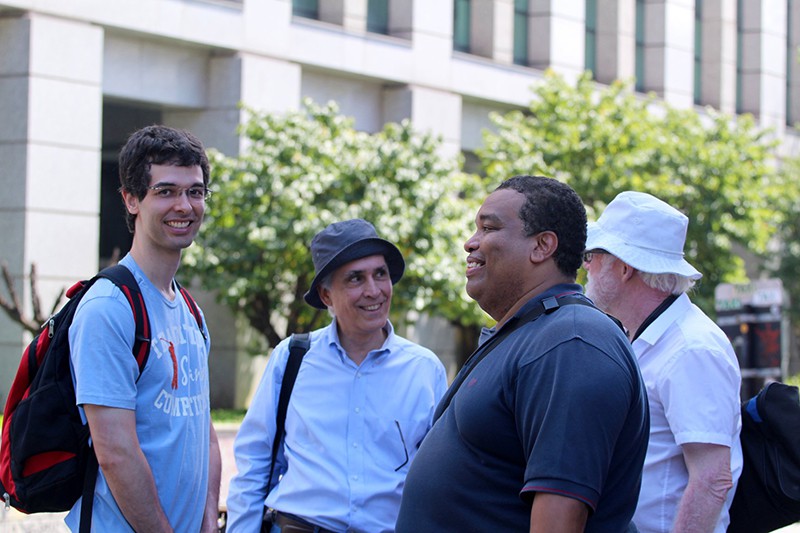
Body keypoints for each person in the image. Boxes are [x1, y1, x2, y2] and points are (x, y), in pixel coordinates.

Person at [397, 175, 649, 533]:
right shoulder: (531, 333)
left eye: (488, 228)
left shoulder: (572, 342)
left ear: (542, 246)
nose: (471, 243)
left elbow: (559, 518)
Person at [226, 218, 448, 533]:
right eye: (355, 279)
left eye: (380, 274)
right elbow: (254, 464)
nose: (374, 291)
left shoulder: (424, 370)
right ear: (327, 296)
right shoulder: (292, 358)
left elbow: (440, 479)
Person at [66, 125, 221, 532]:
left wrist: (208, 520)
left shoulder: (190, 311)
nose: (185, 206)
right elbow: (115, 451)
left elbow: (204, 434)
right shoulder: (108, 308)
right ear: (131, 199)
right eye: (166, 191)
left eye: (195, 192)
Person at [583, 191, 742, 533]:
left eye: (593, 254)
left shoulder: (692, 348)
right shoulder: (651, 336)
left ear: (625, 267)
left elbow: (713, 480)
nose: (586, 265)